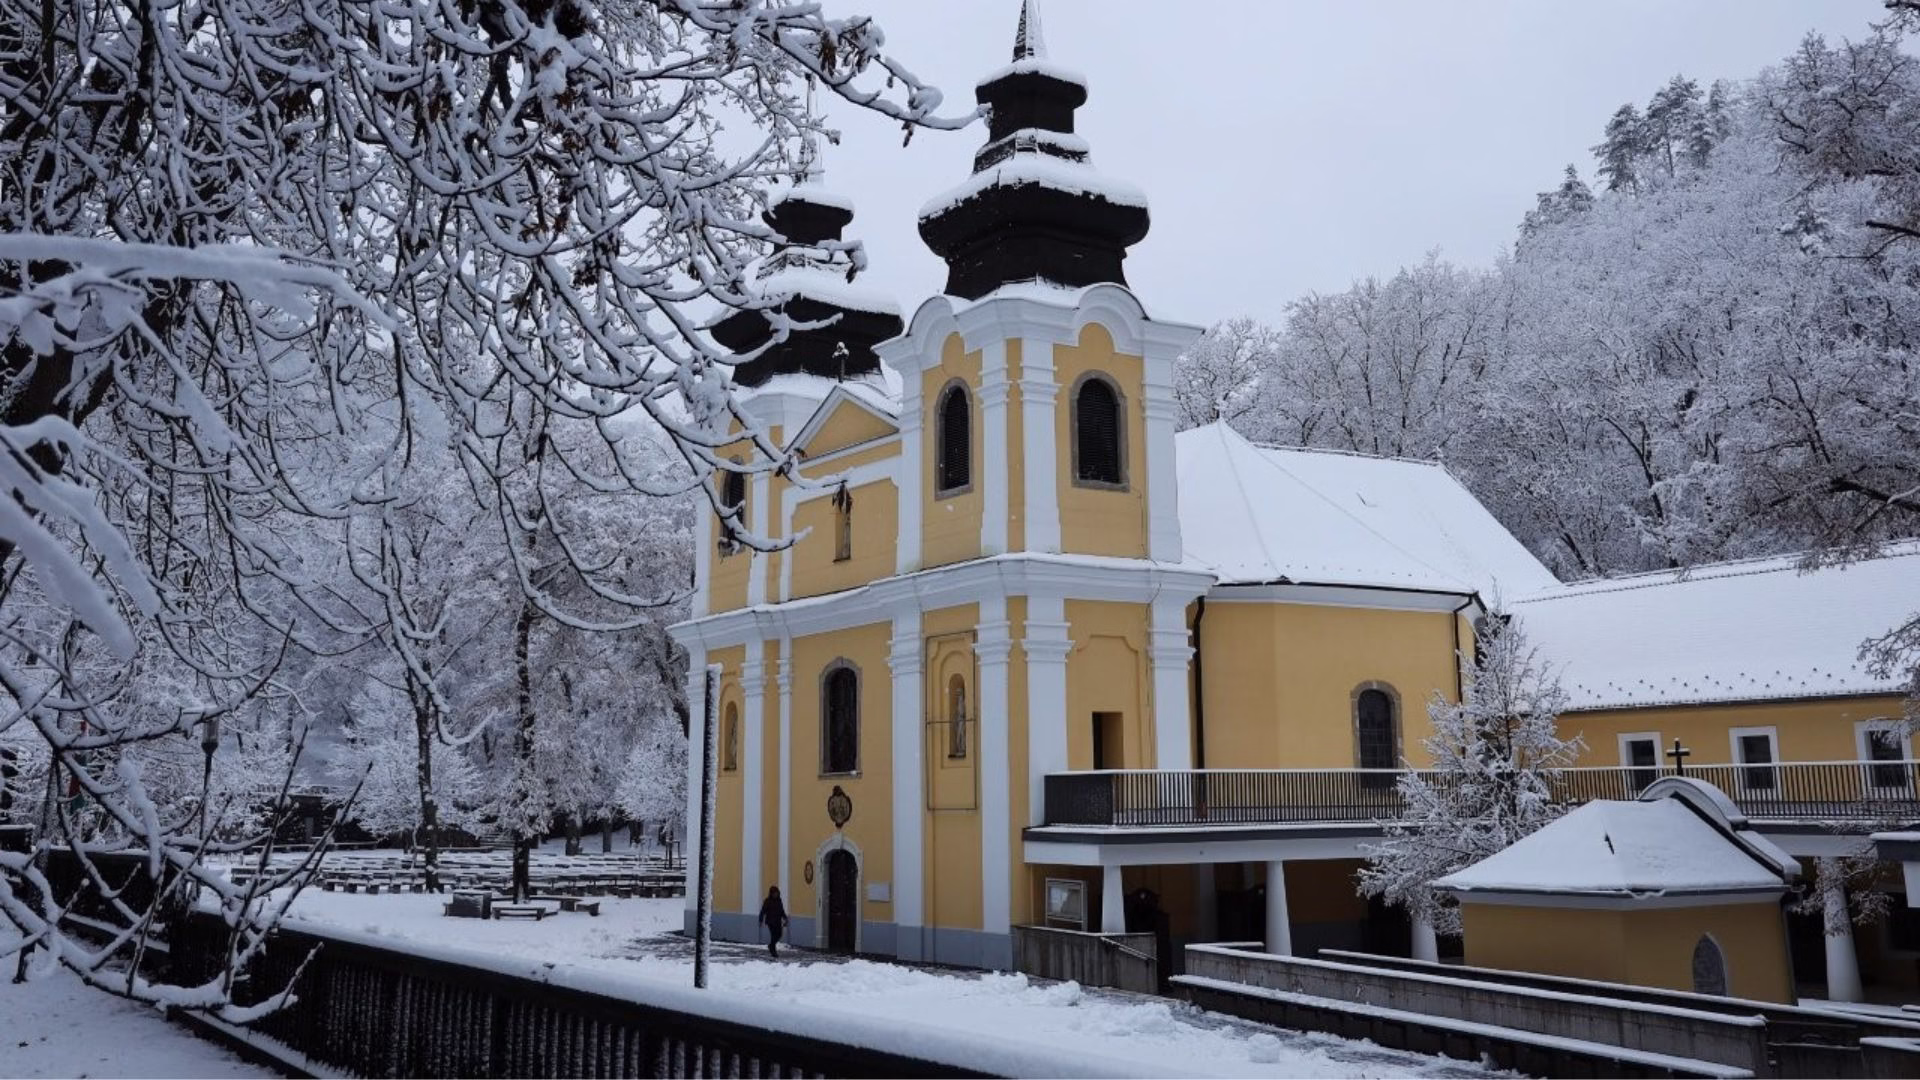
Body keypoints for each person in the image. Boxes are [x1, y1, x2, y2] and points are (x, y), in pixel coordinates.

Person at [759, 885, 789, 958]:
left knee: (779, 934)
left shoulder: (779, 900)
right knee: (773, 936)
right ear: (771, 893)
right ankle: (773, 951)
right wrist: (761, 920)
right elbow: (763, 911)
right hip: (770, 921)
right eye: (774, 893)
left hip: (778, 921)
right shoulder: (767, 901)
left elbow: (781, 910)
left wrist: (785, 917)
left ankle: (771, 946)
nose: (776, 894)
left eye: (777, 893)